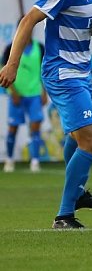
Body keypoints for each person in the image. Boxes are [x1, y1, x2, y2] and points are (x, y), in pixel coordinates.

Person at [0, 0, 92, 230]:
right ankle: (65, 214)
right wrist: (12, 63)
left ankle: (76, 195)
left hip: (79, 70)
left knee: (77, 139)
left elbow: (67, 23)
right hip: (63, 72)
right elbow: (28, 21)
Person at [3, 30, 47, 173]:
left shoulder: (39, 47)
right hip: (17, 95)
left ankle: (35, 161)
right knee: (12, 128)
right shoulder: (10, 48)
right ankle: (9, 160)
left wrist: (44, 92)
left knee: (35, 128)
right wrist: (13, 92)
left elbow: (44, 71)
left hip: (34, 94)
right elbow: (3, 71)